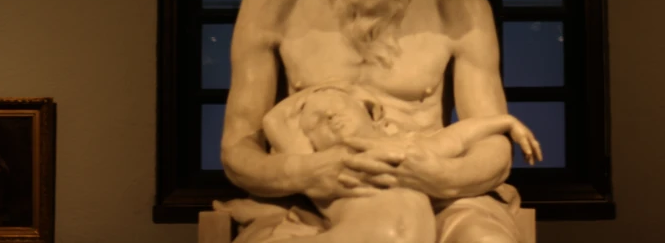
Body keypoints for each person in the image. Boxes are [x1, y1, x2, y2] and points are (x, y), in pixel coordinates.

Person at [220, 0, 533, 243]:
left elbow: (492, 151)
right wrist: (308, 172)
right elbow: (238, 150)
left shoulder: (459, 5)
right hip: (306, 202)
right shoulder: (273, 0)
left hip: (436, 198)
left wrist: (440, 176)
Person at [217, 82, 541, 243]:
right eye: (315, 122)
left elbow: (458, 137)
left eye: (338, 107)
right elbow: (274, 121)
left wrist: (505, 122)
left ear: (372, 112)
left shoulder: (408, 147)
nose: (328, 116)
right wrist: (314, 92)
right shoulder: (320, 162)